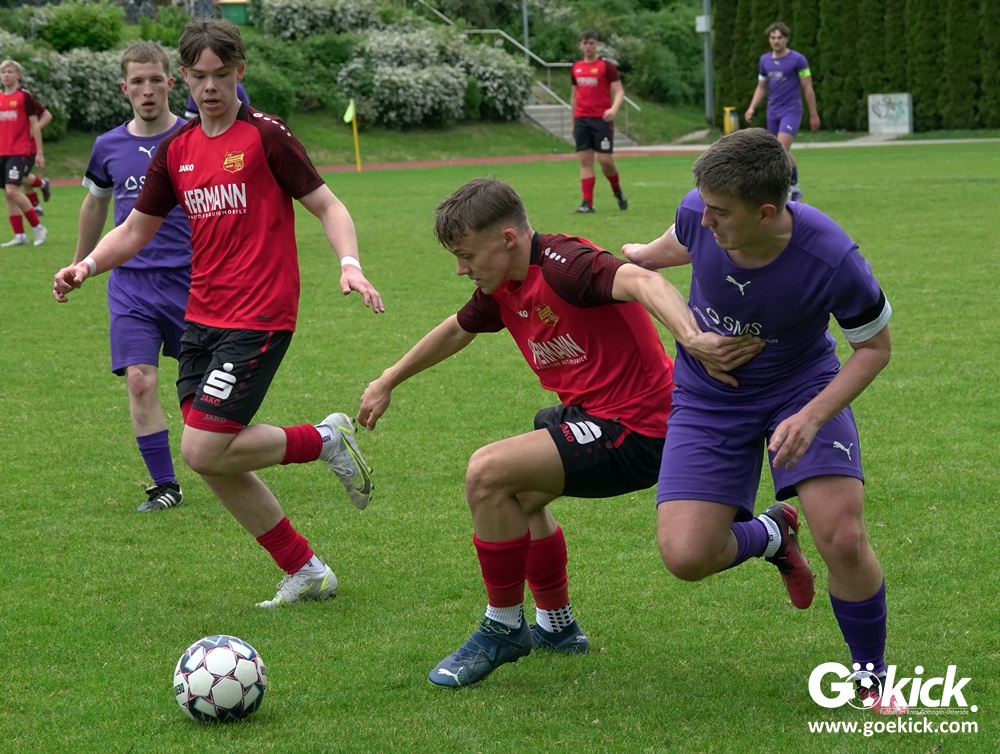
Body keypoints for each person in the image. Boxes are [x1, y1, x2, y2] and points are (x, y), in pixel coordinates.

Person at [358, 177, 760, 688]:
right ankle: (558, 626)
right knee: (517, 500)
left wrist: (693, 339)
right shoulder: (503, 284)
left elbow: (644, 281)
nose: (461, 268)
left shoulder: (567, 266)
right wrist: (389, 379)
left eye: (466, 255)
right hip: (591, 416)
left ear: (507, 239)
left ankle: (503, 627)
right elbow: (458, 328)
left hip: (640, 428)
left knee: (488, 472)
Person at [53, 18, 383, 607]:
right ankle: (306, 569)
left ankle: (325, 438)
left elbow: (328, 206)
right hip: (201, 316)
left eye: (221, 74)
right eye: (200, 76)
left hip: (260, 314)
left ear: (239, 72)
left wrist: (350, 263)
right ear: (185, 76)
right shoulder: (176, 150)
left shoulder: (265, 136)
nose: (210, 87)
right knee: (216, 458)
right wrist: (87, 265)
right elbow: (134, 228)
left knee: (202, 449)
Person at [622, 128, 905, 715]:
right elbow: (678, 241)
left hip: (801, 389)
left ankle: (871, 679)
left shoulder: (832, 259)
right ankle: (773, 534)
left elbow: (875, 349)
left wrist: (812, 415)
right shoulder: (700, 213)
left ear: (767, 212)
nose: (706, 220)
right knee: (686, 556)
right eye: (704, 206)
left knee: (842, 536)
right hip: (708, 396)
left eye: (721, 213)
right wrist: (641, 258)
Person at [68, 41, 193, 512]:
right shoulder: (108, 146)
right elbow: (95, 205)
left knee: (203, 395)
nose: (147, 89)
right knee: (139, 380)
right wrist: (80, 265)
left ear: (170, 83)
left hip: (193, 284)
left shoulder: (194, 137)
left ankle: (230, 456)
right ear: (124, 88)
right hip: (131, 286)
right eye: (137, 82)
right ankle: (165, 486)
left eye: (155, 80)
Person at [744, 22, 820, 202]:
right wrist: (752, 107)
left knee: (781, 149)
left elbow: (807, 87)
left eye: (779, 37)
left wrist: (813, 114)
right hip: (773, 111)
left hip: (791, 110)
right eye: (773, 37)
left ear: (786, 39)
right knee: (777, 151)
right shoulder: (764, 60)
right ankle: (792, 188)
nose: (776, 41)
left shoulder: (798, 60)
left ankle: (791, 188)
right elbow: (761, 86)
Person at [570, 30, 627, 214]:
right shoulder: (576, 67)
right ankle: (587, 203)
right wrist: (573, 121)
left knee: (605, 160)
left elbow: (619, 91)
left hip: (601, 120)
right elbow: (574, 96)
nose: (588, 46)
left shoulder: (606, 66)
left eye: (591, 43)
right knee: (585, 160)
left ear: (597, 45)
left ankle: (617, 191)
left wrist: (613, 109)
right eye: (585, 43)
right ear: (580, 45)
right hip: (582, 119)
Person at [0, 59, 47, 247]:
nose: (6, 75)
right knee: (8, 193)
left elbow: (35, 125)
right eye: (3, 72)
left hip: (20, 151)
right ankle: (19, 235)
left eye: (10, 72)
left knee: (12, 190)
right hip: (3, 152)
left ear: (18, 76)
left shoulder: (24, 97)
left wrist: (39, 152)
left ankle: (38, 228)